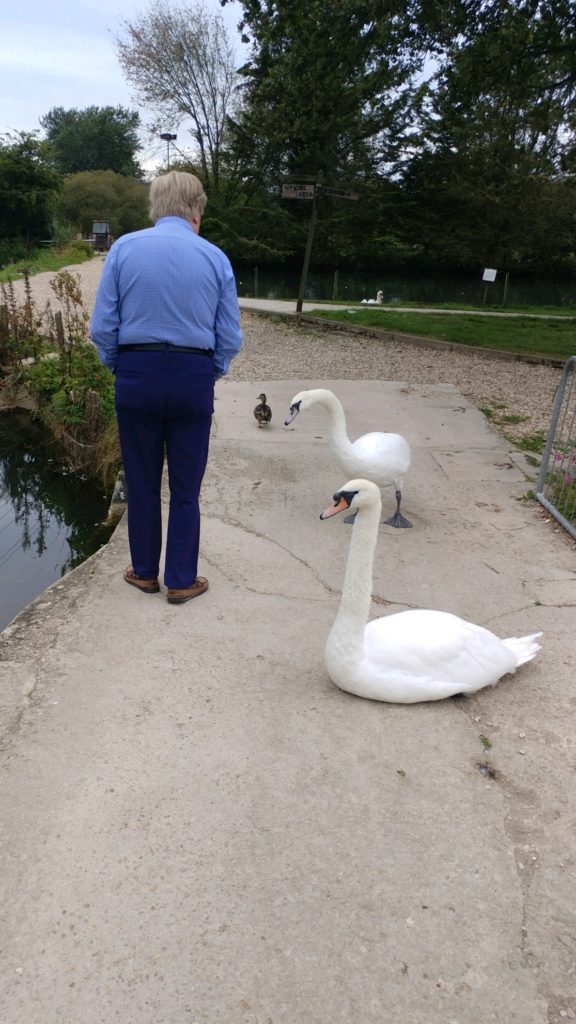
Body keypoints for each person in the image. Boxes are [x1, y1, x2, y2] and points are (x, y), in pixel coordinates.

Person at [90, 170, 243, 604]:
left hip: (137, 373)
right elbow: (230, 336)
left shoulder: (123, 249)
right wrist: (208, 371)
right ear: (196, 209)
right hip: (193, 377)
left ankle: (142, 571)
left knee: (141, 481)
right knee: (186, 487)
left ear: (154, 207)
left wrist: (121, 366)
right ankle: (180, 579)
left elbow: (102, 327)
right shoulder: (215, 257)